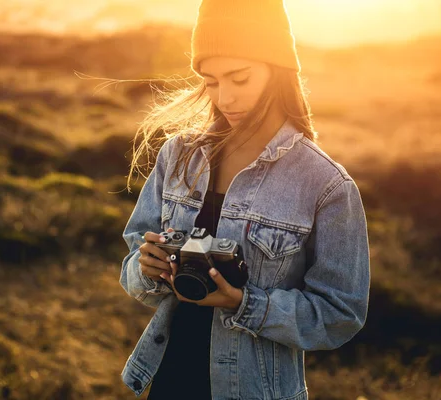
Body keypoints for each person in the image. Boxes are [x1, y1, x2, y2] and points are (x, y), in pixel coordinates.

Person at [119, 0, 370, 399]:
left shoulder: (326, 184)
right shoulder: (178, 155)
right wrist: (146, 267)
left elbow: (341, 314)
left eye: (239, 78)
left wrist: (244, 303)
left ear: (278, 70)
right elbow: (133, 263)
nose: (225, 98)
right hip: (168, 381)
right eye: (211, 81)